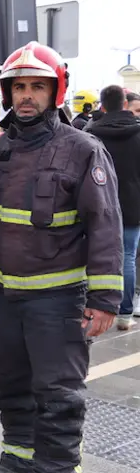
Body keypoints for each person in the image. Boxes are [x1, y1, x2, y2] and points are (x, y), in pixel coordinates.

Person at [0, 41, 123, 473]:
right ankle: (18, 458)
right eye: (19, 86)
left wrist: (103, 300)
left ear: (56, 92)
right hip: (7, 294)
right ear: (8, 91)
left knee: (58, 397)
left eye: (37, 86)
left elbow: (105, 226)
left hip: (59, 299)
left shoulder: (83, 149)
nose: (27, 95)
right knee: (9, 382)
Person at [85, 85, 140, 331]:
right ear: (125, 104)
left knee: (92, 255)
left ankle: (91, 307)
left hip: (98, 203)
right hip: (131, 204)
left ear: (103, 106)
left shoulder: (90, 132)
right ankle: (125, 314)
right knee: (127, 256)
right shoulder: (138, 133)